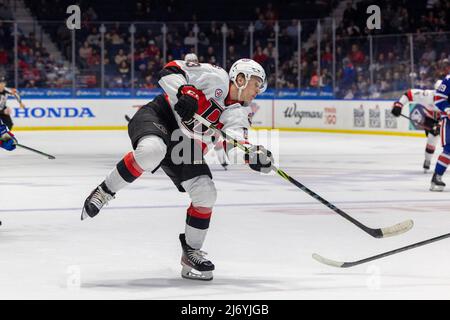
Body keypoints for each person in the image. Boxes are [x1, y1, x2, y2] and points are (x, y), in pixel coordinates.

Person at [81, 58, 273, 280]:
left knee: (206, 192)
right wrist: (185, 91)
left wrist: (252, 156)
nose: (258, 90)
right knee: (151, 151)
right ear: (241, 78)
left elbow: (235, 147)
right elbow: (169, 70)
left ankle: (191, 252)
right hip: (159, 115)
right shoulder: (215, 76)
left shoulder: (239, 113)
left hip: (185, 143)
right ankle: (105, 190)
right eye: (257, 83)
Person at [391, 80, 443, 172]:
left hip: (445, 119)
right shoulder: (427, 95)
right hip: (430, 119)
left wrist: (440, 125)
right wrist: (399, 105)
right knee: (432, 138)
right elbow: (409, 94)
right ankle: (427, 160)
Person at [430, 74, 450, 191]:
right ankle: (436, 177)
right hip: (448, 120)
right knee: (449, 149)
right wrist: (448, 110)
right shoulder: (449, 80)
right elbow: (439, 98)